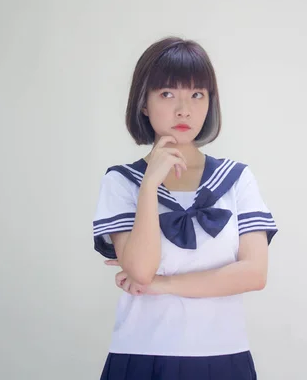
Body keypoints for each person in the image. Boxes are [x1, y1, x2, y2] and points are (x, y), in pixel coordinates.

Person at [92, 36, 278, 380]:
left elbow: (254, 274)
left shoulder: (237, 178)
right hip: (142, 354)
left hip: (224, 353)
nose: (184, 109)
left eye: (197, 94)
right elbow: (141, 271)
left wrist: (164, 285)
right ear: (143, 104)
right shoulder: (121, 182)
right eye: (167, 94)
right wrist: (150, 184)